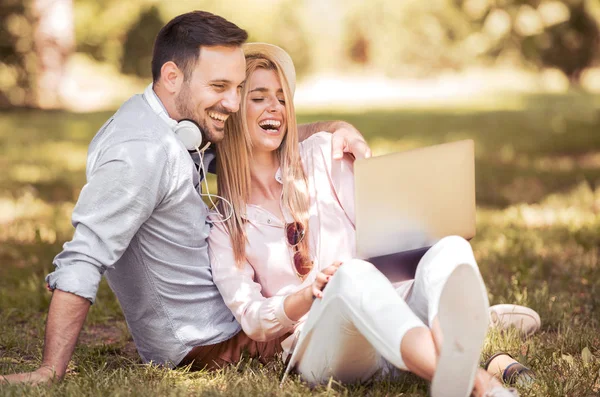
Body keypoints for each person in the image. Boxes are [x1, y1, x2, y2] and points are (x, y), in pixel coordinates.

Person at [0, 11, 372, 385]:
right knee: (357, 314)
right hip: (219, 342)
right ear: (173, 76)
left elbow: (255, 141)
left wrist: (334, 128)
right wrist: (50, 370)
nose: (232, 103)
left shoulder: (174, 126)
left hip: (232, 317)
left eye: (239, 88)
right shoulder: (140, 154)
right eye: (219, 86)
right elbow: (83, 257)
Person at [207, 43, 536, 397]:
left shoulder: (322, 154)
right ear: (235, 109)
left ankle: (450, 356)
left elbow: (378, 230)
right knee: (349, 275)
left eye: (282, 98)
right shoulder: (225, 223)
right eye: (259, 98)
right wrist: (306, 294)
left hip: (391, 318)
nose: (275, 107)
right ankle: (480, 383)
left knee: (450, 247)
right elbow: (254, 317)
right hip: (328, 349)